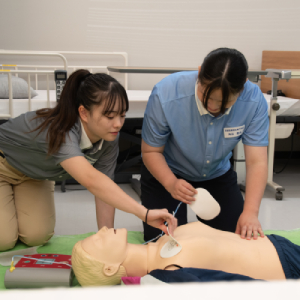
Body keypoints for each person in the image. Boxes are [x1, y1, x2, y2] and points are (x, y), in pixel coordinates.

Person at [0, 69, 177, 252]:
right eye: (109, 116)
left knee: (37, 236)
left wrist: (106, 238)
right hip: (3, 166)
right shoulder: (62, 132)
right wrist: (144, 213)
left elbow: (104, 187)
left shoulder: (109, 137)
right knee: (4, 240)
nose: (118, 124)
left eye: (122, 115)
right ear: (84, 113)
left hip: (35, 175)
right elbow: (92, 181)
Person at [141, 48, 269, 241]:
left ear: (242, 88)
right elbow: (151, 151)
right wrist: (170, 183)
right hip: (168, 171)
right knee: (165, 243)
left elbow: (256, 162)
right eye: (206, 96)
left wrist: (251, 212)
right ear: (199, 73)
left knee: (236, 240)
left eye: (224, 102)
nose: (213, 107)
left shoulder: (253, 100)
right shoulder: (166, 93)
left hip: (216, 173)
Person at [71, 221, 300, 286]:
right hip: (289, 269)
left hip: (277, 244)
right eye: (98, 239)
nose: (101, 230)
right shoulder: (171, 275)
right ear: (109, 267)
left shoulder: (165, 238)